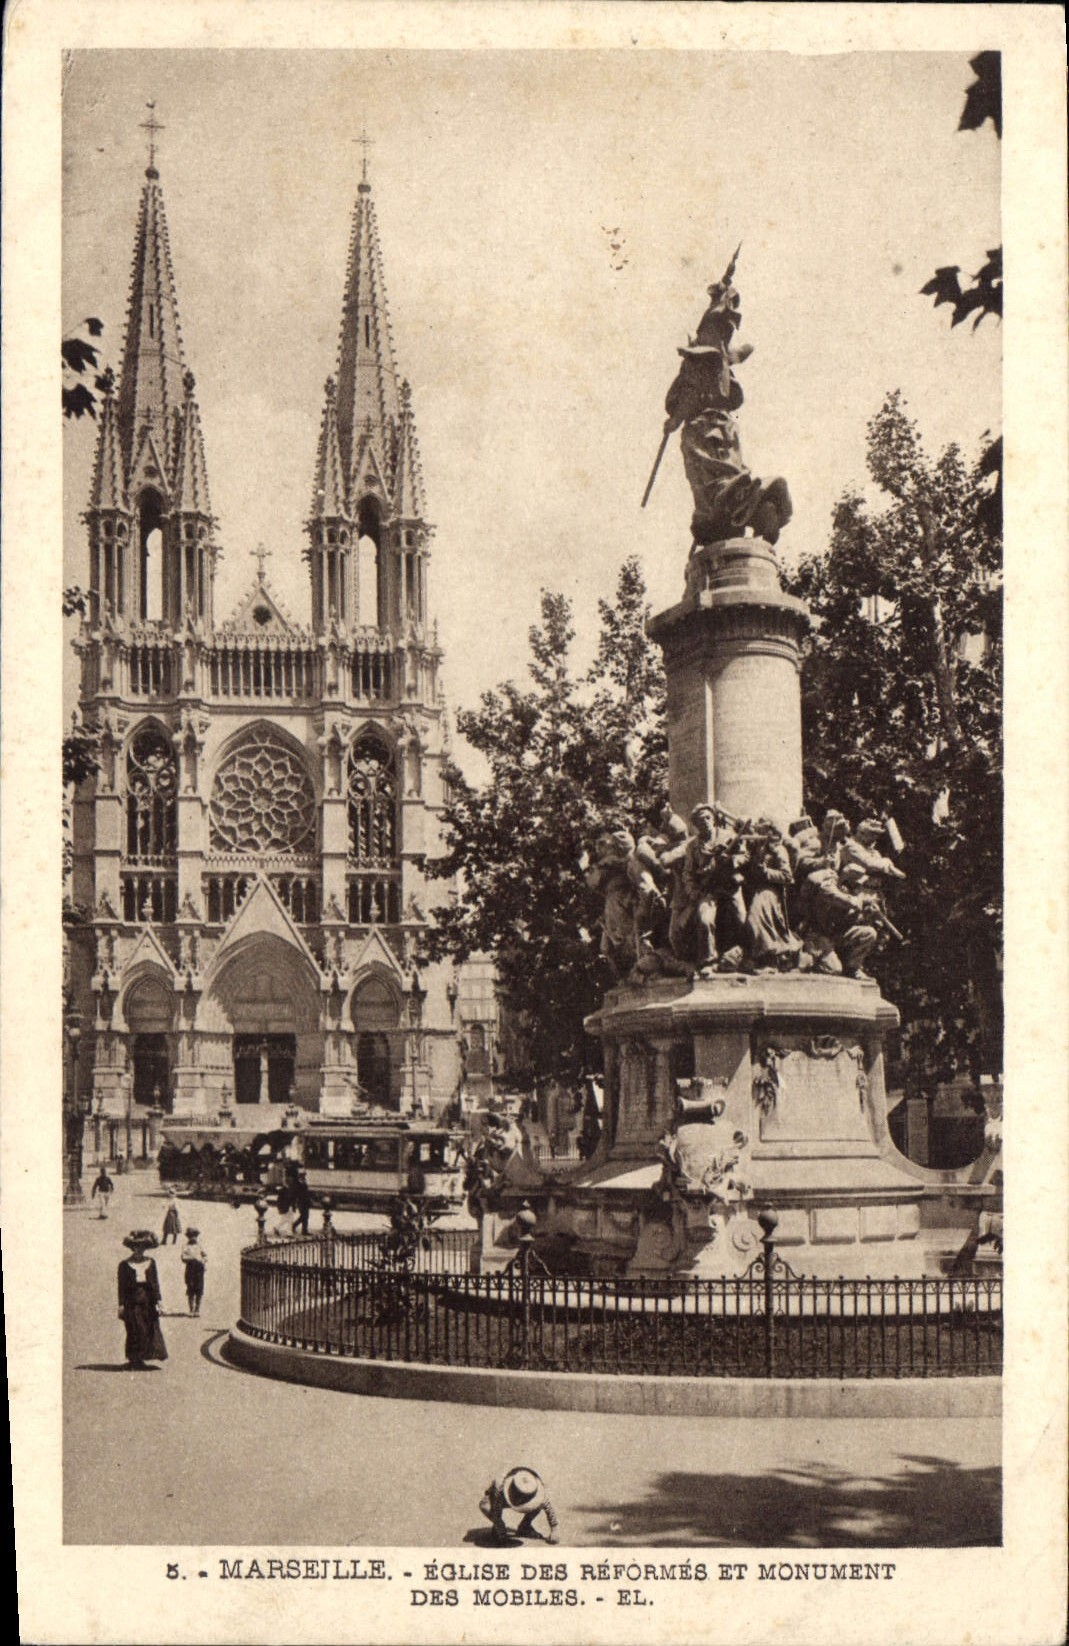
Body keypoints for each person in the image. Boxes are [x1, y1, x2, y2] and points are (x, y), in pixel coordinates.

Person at [117, 1231, 167, 1368]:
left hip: (148, 1301)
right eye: (136, 1247)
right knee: (134, 1328)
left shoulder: (150, 1262)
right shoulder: (124, 1265)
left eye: (142, 1247)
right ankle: (134, 1359)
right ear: (132, 1248)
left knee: (148, 1328)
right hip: (131, 1302)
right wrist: (121, 1305)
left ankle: (143, 1357)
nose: (139, 1250)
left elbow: (155, 1284)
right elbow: (121, 1287)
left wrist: (159, 1302)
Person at [479, 1467, 559, 1545]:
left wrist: (554, 1530)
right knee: (485, 1506)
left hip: (524, 1498)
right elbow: (494, 1506)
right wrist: (498, 1523)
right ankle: (499, 1527)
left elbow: (549, 1508)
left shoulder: (538, 1492)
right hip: (501, 1498)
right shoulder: (500, 1485)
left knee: (538, 1504)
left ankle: (525, 1527)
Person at [180, 1227, 207, 1316]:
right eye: (191, 1236)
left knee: (199, 1289)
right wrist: (193, 1258)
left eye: (195, 1236)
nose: (193, 1238)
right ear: (188, 1237)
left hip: (199, 1269)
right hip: (190, 1269)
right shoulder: (185, 1246)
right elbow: (183, 1258)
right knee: (190, 1289)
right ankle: (191, 1309)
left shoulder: (200, 1246)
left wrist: (203, 1260)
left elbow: (205, 1256)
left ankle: (197, 1309)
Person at [291, 1168, 313, 1234]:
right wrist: (294, 1203)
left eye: (304, 1175)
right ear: (300, 1175)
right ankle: (294, 1226)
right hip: (301, 1201)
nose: (304, 1176)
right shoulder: (297, 1182)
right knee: (303, 1216)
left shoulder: (304, 1181)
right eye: (303, 1175)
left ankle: (304, 1230)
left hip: (306, 1201)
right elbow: (295, 1193)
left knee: (306, 1216)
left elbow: (306, 1191)